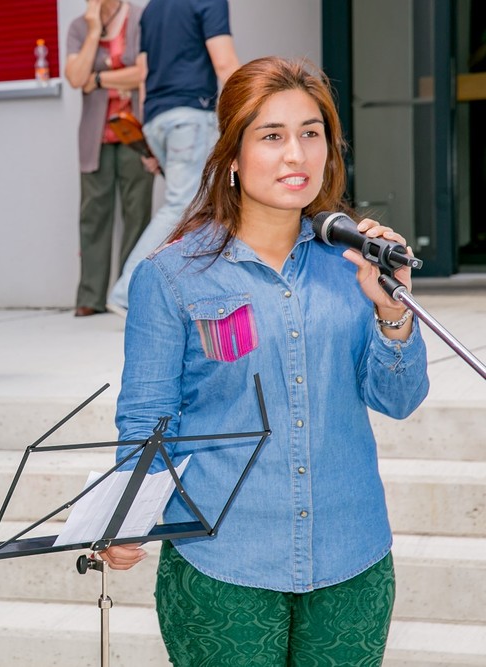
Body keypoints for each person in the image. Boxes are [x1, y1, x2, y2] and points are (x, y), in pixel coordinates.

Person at [102, 57, 430, 665]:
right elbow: (148, 417)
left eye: (311, 133)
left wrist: (392, 310)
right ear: (232, 154)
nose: (296, 155)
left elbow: (399, 399)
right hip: (223, 563)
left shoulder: (355, 266)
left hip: (352, 557)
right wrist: (127, 513)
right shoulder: (171, 276)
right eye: (272, 136)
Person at [106, 0, 239, 313]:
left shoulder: (152, 8)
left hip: (158, 119)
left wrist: (147, 135)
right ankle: (127, 291)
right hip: (189, 117)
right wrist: (260, 106)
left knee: (205, 208)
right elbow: (225, 64)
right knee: (182, 204)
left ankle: (202, 294)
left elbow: (144, 75)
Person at [65, 0, 154, 317]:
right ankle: (90, 295)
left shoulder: (140, 18)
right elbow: (76, 78)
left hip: (134, 132)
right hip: (96, 137)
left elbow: (143, 72)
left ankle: (130, 293)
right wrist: (93, 30)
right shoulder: (79, 27)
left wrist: (100, 79)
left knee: (136, 215)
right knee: (93, 216)